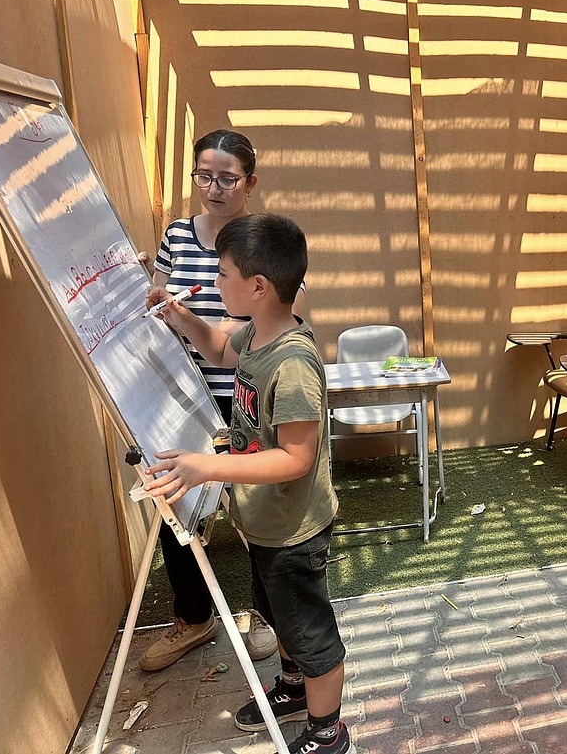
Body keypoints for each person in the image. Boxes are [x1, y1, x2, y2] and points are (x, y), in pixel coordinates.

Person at [143, 213, 349, 753]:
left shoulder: (294, 362)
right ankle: (291, 688)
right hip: (263, 522)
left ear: (257, 286)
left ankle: (329, 731)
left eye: (222, 273)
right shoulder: (256, 333)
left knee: (310, 633)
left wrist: (206, 466)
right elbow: (216, 348)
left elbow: (296, 458)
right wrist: (180, 316)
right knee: (277, 614)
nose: (215, 282)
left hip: (294, 530)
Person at [137, 130, 306, 671]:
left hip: (242, 394)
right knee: (176, 504)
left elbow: (276, 324)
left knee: (253, 505)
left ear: (249, 184)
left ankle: (268, 614)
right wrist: (143, 283)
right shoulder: (177, 236)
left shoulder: (264, 242)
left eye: (226, 178)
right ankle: (194, 616)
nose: (213, 188)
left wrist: (201, 324)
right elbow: (159, 303)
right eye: (203, 176)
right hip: (176, 392)